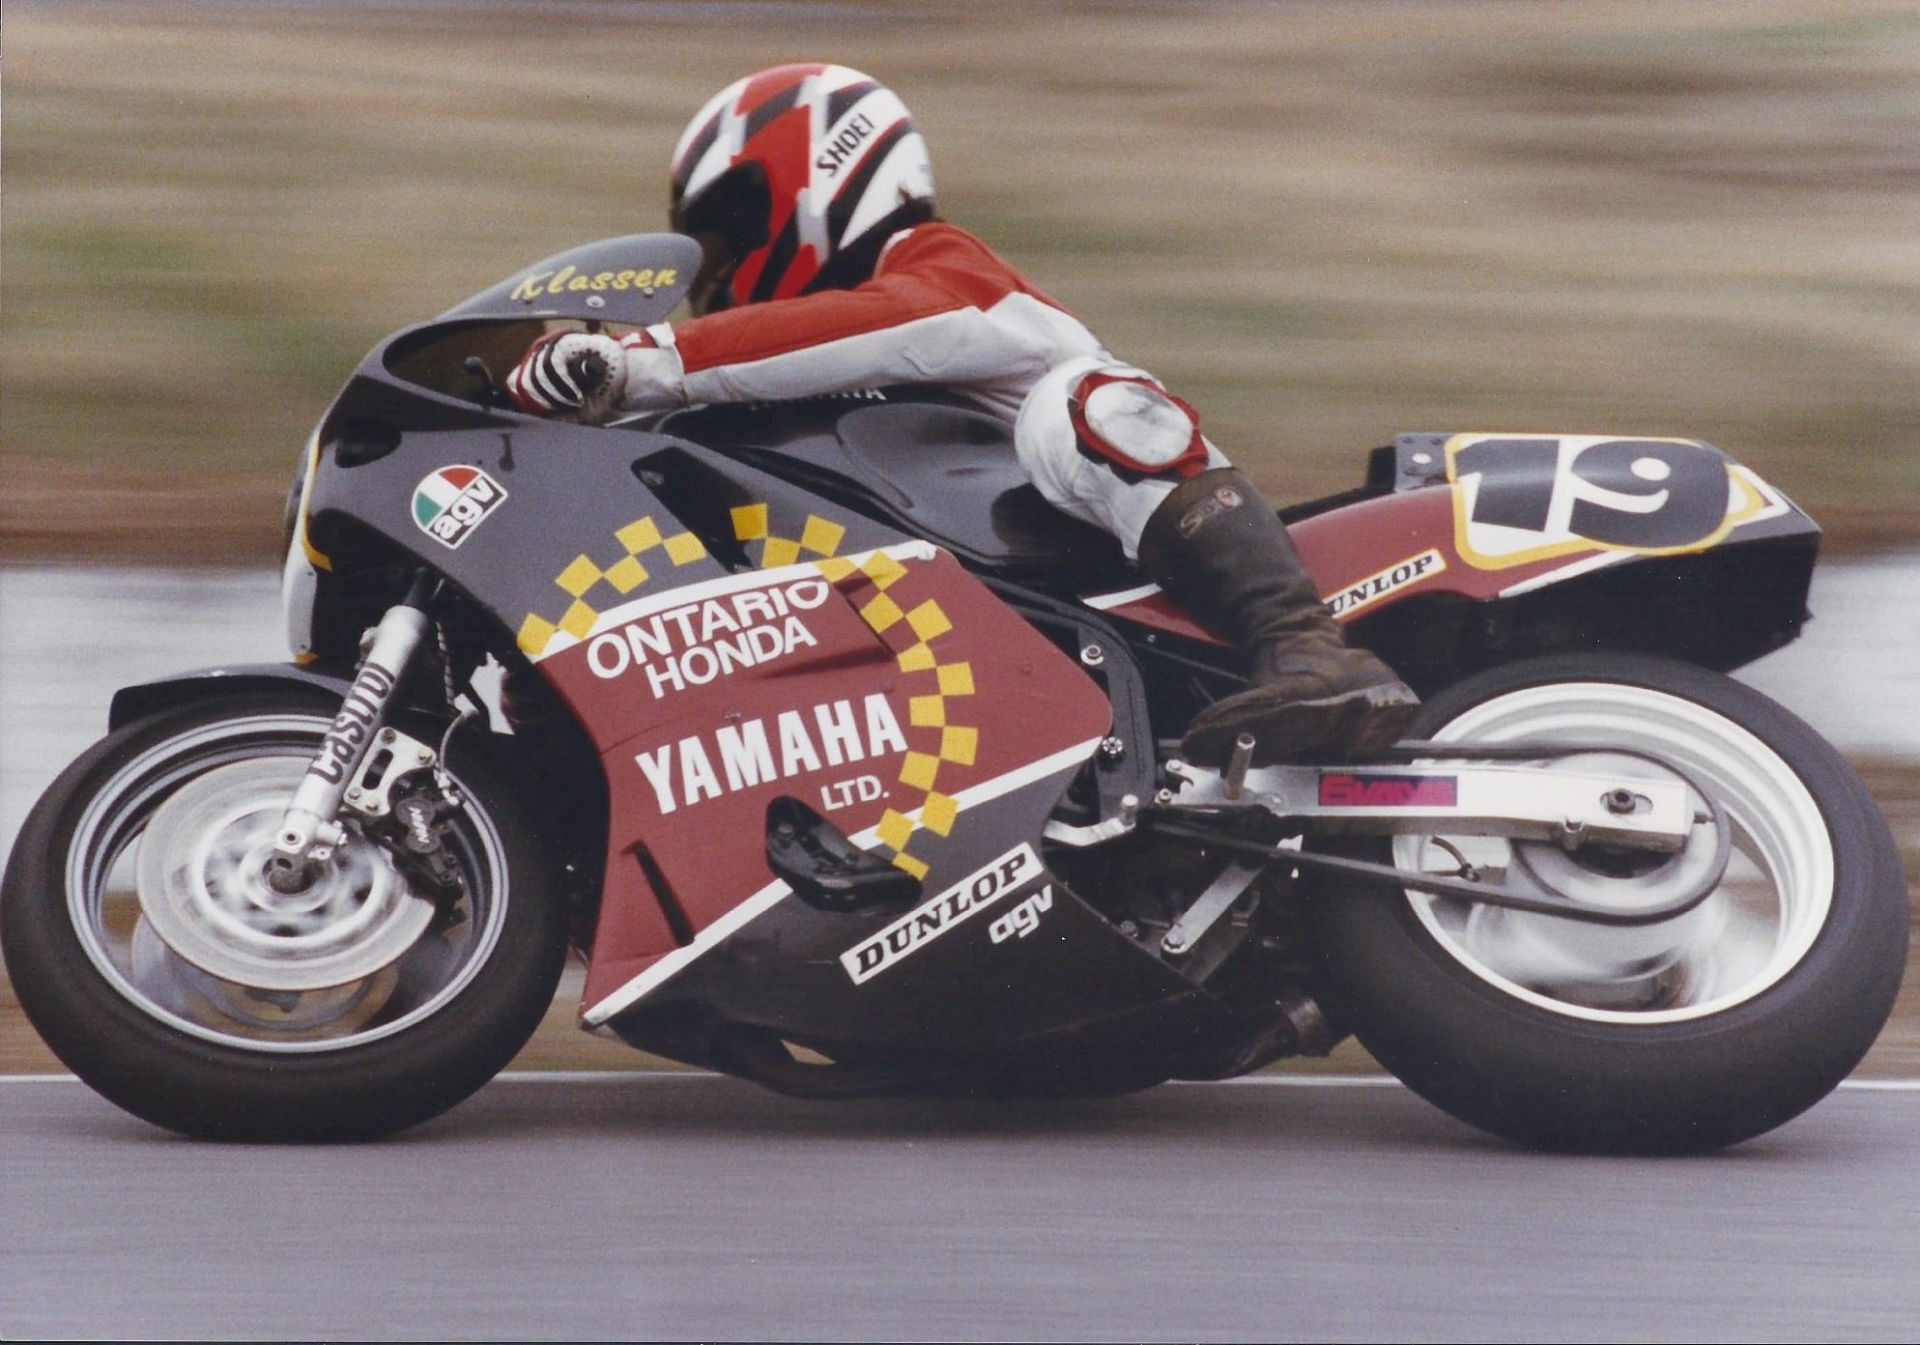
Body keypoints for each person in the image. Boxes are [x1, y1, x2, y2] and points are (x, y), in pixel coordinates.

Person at [505, 63, 1417, 765]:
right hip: (979, 657)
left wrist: (644, 362)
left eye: (731, 230)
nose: (718, 276)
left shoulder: (938, 271)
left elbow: (875, 328)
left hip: (1118, 575)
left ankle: (1305, 646)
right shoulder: (804, 380)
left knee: (1078, 406)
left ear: (816, 171)